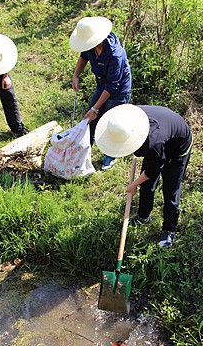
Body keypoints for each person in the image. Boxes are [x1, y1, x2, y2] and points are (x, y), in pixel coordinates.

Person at [95, 104, 192, 248]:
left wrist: (134, 184)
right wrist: (138, 182)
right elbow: (151, 167)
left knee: (170, 190)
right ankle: (143, 216)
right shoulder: (127, 118)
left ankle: (169, 230)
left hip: (178, 147)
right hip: (158, 139)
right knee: (146, 184)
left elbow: (154, 167)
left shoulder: (153, 143)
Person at [69, 16, 132, 170]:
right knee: (89, 120)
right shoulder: (90, 45)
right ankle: (84, 150)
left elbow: (112, 86)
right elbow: (84, 56)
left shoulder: (115, 55)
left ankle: (110, 156)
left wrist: (95, 109)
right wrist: (76, 75)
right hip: (102, 85)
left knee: (111, 122)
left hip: (117, 91)